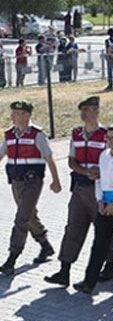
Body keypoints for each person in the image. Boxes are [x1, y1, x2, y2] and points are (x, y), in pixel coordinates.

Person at [44, 96, 113, 287]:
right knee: (73, 227)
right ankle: (64, 270)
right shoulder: (76, 134)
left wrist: (101, 172)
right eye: (82, 110)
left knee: (104, 229)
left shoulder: (106, 134)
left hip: (100, 189)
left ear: (97, 111)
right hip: (79, 187)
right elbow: (71, 160)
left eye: (88, 109)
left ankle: (110, 264)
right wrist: (85, 171)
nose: (84, 113)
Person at [73, 123, 113, 295]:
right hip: (104, 205)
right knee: (99, 244)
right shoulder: (103, 156)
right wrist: (99, 200)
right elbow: (99, 179)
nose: (109, 141)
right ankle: (89, 282)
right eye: (107, 138)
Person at [0, 101, 62, 276]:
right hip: (16, 182)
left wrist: (56, 181)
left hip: (32, 182)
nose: (12, 116)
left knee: (21, 218)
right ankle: (45, 246)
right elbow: (1, 154)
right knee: (29, 216)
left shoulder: (38, 135)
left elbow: (49, 159)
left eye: (16, 113)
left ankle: (12, 258)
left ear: (26, 115)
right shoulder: (10, 135)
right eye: (12, 113)